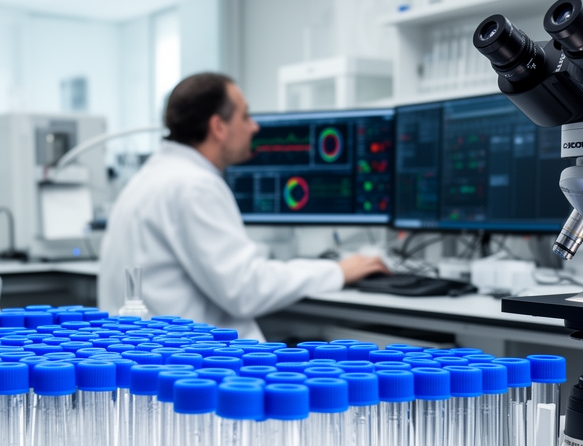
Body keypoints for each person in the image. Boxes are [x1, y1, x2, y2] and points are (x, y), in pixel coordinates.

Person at [98, 72, 389, 340]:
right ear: (219, 127)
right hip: (197, 372)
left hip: (156, 362)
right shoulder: (195, 185)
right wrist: (337, 271)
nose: (255, 127)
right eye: (246, 116)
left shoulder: (150, 177)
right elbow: (246, 290)